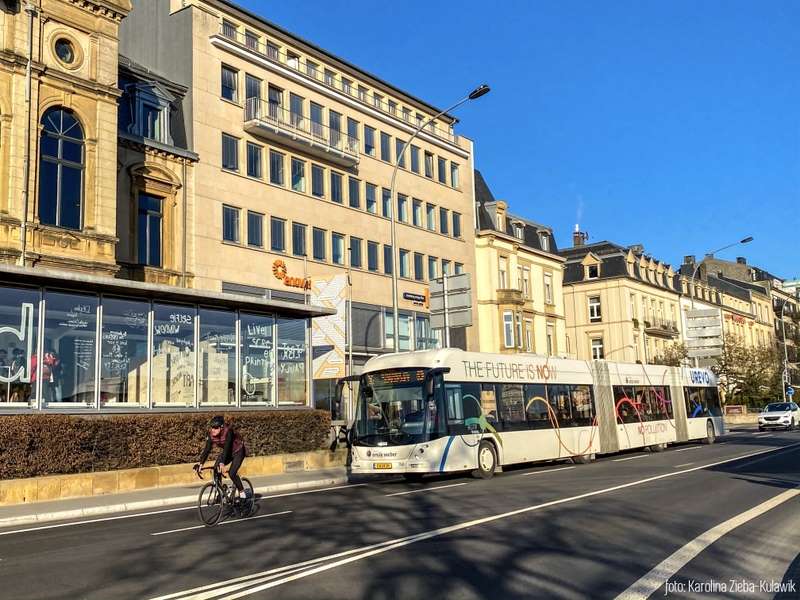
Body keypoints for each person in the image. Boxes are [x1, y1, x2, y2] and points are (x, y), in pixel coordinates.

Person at [194, 416, 249, 501]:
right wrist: (200, 463)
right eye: (212, 427)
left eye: (216, 428)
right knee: (216, 469)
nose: (213, 430)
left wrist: (222, 462)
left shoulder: (228, 431)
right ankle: (222, 491)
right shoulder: (211, 435)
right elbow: (207, 449)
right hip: (228, 453)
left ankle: (242, 493)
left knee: (232, 473)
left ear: (221, 428)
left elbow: (227, 447)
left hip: (238, 451)